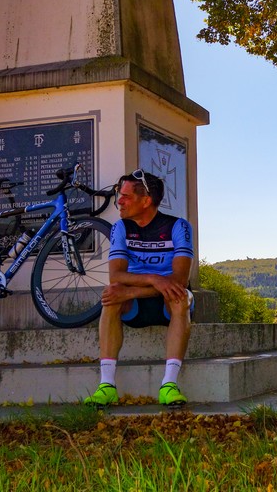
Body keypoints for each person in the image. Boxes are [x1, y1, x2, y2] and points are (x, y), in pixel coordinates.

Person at [84, 169, 194, 408]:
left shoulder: (178, 227)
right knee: (112, 296)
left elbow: (179, 280)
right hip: (135, 304)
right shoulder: (121, 227)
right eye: (118, 195)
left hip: (167, 303)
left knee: (180, 297)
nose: (119, 202)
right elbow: (117, 275)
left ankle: (169, 385)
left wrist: (133, 290)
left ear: (146, 201)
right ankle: (106, 386)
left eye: (125, 197)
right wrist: (155, 279)